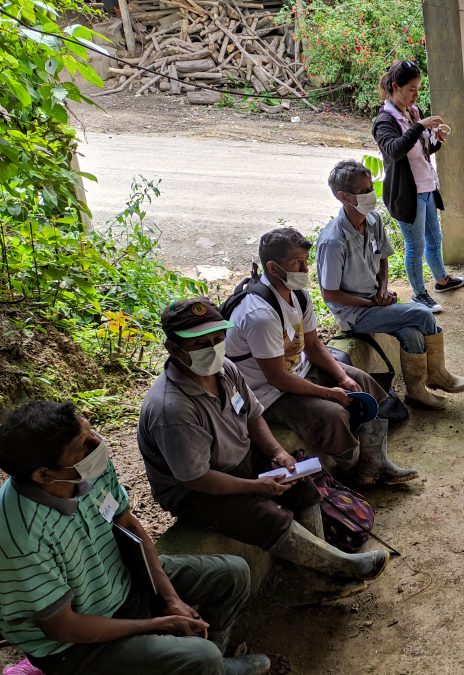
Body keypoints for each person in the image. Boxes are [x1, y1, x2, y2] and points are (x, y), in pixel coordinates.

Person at [0, 400, 271, 675]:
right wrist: (159, 624)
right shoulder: (18, 537)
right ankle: (209, 665)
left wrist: (170, 599)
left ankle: (214, 664)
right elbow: (63, 626)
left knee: (234, 574)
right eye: (82, 447)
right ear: (44, 475)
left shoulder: (86, 467)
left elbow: (126, 521)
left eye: (90, 433)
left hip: (123, 581)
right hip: (73, 645)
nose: (97, 445)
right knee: (201, 656)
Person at [138, 298, 390, 585]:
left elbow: (254, 415)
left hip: (236, 459)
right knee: (266, 516)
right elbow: (196, 479)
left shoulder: (225, 370)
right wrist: (256, 487)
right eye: (198, 344)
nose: (212, 347)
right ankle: (336, 568)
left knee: (299, 480)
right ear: (173, 349)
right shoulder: (173, 408)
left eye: (218, 338)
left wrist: (278, 452)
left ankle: (319, 574)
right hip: (194, 491)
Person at [224, 227, 417, 485]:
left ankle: (375, 463)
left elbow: (313, 346)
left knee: (362, 381)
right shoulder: (259, 315)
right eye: (297, 263)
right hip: (268, 393)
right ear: (273, 268)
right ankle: (354, 472)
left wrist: (342, 378)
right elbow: (278, 378)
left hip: (298, 371)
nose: (305, 270)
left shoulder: (299, 295)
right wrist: (329, 393)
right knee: (333, 416)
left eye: (305, 261)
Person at [318, 160, 464, 410]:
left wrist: (382, 289)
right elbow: (330, 293)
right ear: (343, 197)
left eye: (371, 188)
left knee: (411, 333)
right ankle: (438, 374)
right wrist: (370, 301)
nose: (372, 195)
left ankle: (417, 392)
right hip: (354, 313)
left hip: (375, 301)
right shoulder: (334, 241)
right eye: (364, 191)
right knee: (422, 314)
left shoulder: (373, 220)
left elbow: (384, 257)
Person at [372, 59, 464, 313]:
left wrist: (435, 139)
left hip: (426, 187)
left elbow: (421, 149)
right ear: (395, 86)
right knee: (415, 246)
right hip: (407, 194)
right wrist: (420, 126)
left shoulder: (413, 112)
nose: (416, 94)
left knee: (435, 239)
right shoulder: (384, 120)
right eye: (412, 89)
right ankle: (419, 293)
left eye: (418, 88)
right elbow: (394, 150)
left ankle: (442, 280)